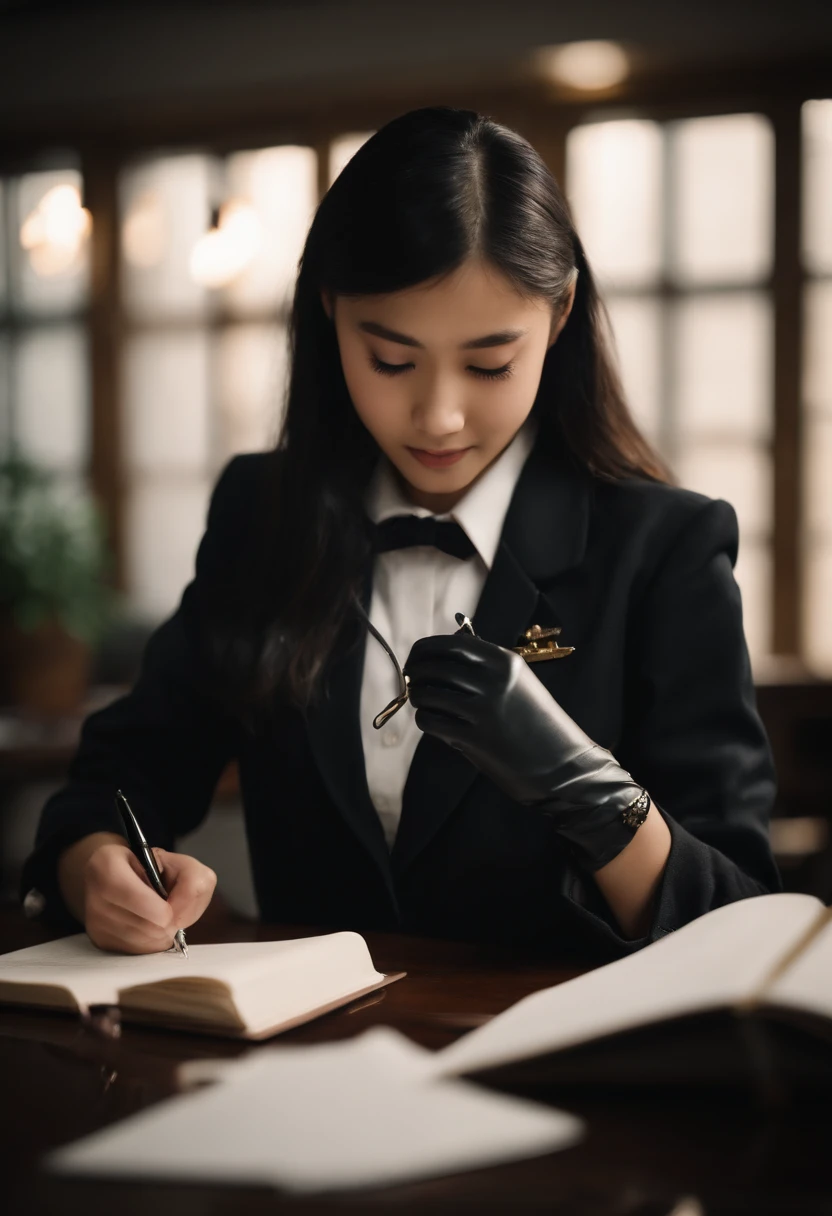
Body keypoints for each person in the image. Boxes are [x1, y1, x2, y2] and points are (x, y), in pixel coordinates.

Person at [21, 106, 781, 960]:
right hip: (301, 1062)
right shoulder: (262, 516)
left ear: (561, 314)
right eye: (390, 360)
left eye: (491, 364)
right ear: (330, 309)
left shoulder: (666, 549)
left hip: (563, 1074)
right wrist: (99, 870)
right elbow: (124, 774)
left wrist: (585, 785)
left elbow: (744, 921)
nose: (440, 415)